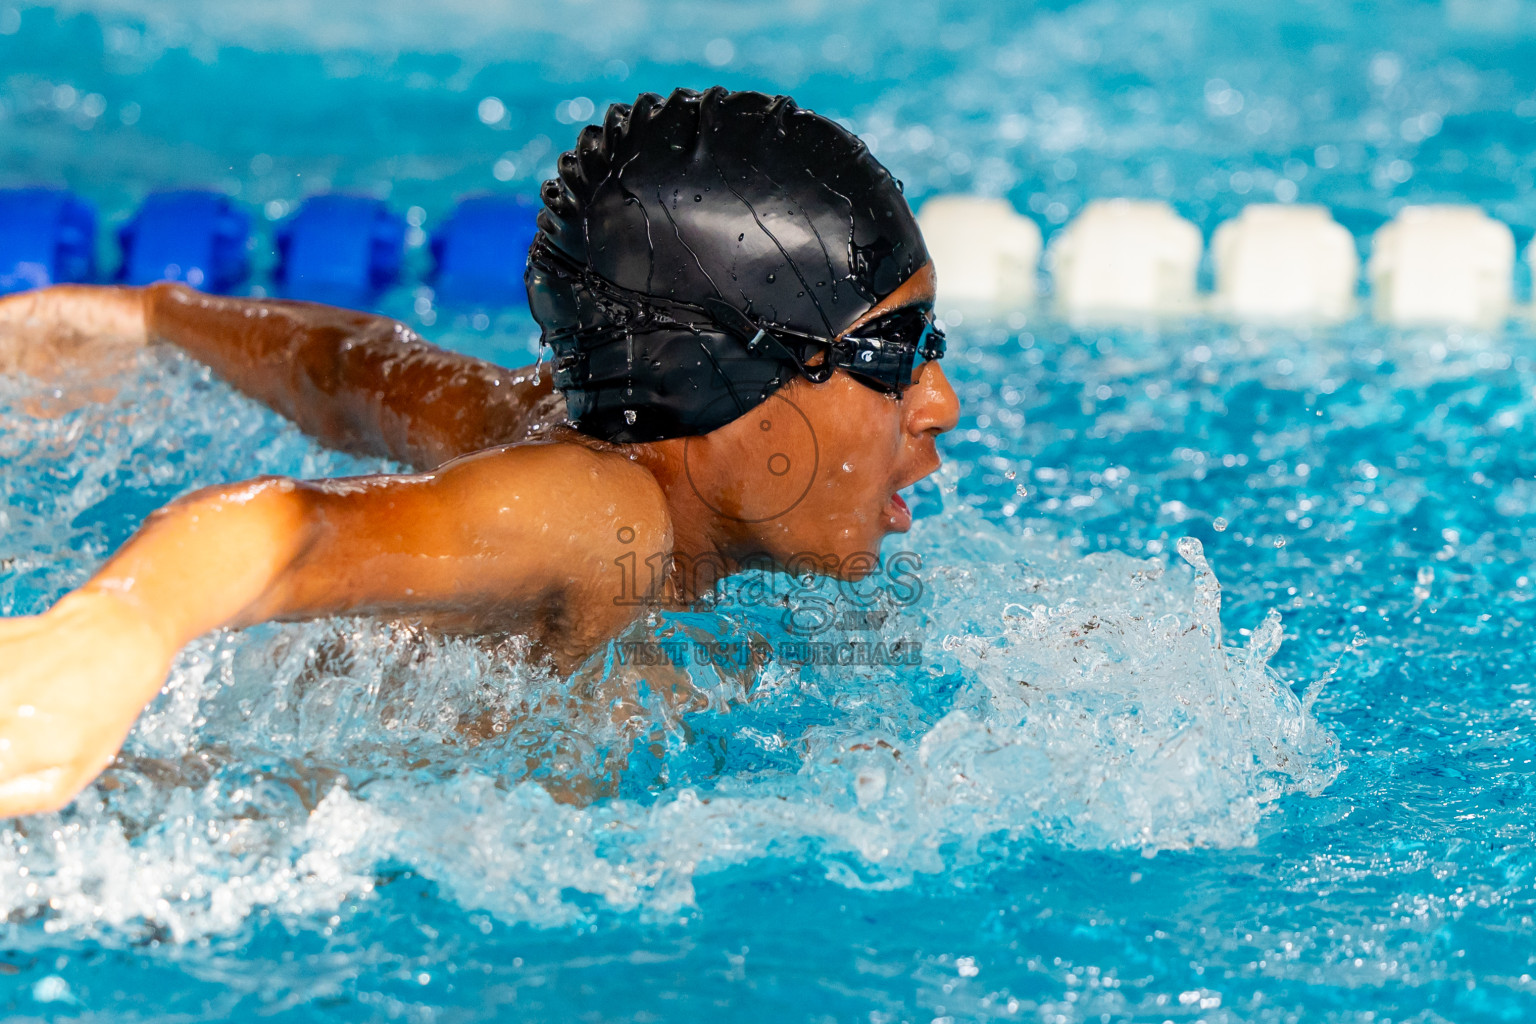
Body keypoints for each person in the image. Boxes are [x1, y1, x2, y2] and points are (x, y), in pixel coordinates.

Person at [0, 86, 959, 816]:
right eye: (892, 356)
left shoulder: (539, 410)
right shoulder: (595, 519)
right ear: (723, 382)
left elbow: (351, 367)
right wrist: (119, 626)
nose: (942, 404)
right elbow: (291, 530)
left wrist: (151, 317)